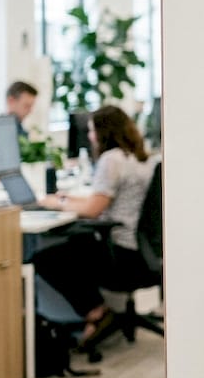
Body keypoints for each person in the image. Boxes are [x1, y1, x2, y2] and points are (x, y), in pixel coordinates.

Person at [33, 105, 157, 349]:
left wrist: (56, 203)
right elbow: (99, 202)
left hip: (121, 255)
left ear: (104, 132)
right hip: (141, 252)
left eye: (91, 130)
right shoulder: (139, 157)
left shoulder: (111, 160)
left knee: (45, 258)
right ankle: (95, 312)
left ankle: (95, 310)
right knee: (74, 243)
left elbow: (92, 210)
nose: (89, 136)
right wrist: (66, 200)